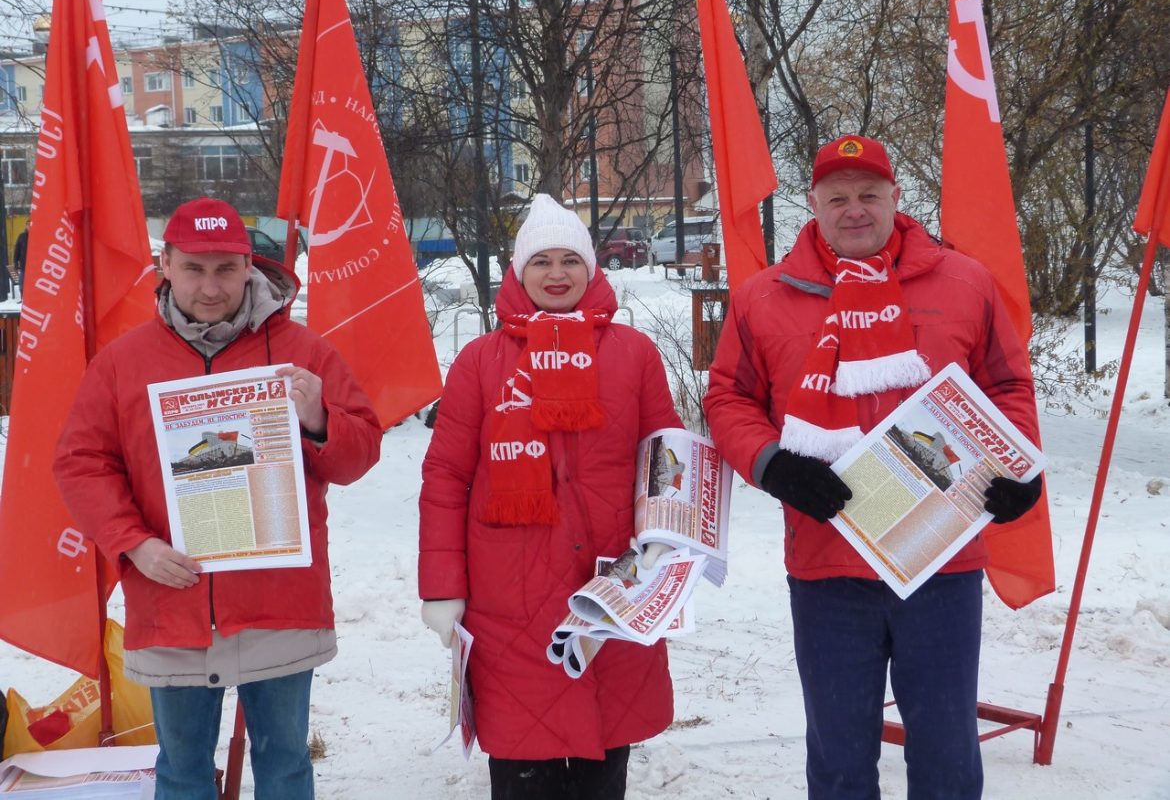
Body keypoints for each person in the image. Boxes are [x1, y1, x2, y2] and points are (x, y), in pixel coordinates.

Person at [703, 135, 1044, 800]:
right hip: (827, 561)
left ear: (895, 197)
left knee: (947, 752)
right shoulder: (762, 298)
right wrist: (773, 466)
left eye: (867, 195)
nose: (853, 210)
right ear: (814, 205)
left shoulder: (964, 281)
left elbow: (1007, 386)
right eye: (838, 198)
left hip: (940, 560)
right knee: (839, 759)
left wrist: (1018, 468)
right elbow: (729, 397)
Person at [53, 197, 382, 800]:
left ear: (248, 268)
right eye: (195, 269)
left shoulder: (304, 351)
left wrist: (317, 417)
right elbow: (81, 463)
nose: (210, 286)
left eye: (226, 269)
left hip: (279, 601)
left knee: (284, 766)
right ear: (167, 265)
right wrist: (134, 544)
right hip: (170, 601)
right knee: (181, 771)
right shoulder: (122, 363)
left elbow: (360, 455)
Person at [418, 194, 681, 799]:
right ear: (517, 271)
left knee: (602, 762)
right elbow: (446, 480)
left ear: (592, 269)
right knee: (521, 766)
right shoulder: (479, 362)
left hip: (611, 591)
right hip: (508, 599)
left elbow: (664, 462)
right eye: (541, 261)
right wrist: (442, 587)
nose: (556, 274)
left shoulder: (633, 354)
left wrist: (669, 548)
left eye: (570, 260)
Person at [12, 227, 27, 297]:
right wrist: (15, 263)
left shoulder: (37, 236)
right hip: (23, 266)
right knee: (22, 285)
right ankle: (23, 298)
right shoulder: (22, 236)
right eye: (28, 224)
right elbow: (17, 250)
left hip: (34, 267)